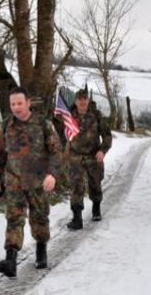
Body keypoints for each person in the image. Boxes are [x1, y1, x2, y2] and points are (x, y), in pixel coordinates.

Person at [0, 86, 62, 277]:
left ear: (28, 103)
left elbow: (56, 152)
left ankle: (41, 249)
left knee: (39, 217)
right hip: (13, 179)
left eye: (19, 103)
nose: (16, 107)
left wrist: (52, 175)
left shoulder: (43, 124)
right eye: (13, 104)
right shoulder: (6, 126)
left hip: (38, 180)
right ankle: (11, 260)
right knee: (14, 218)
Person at [60, 88, 112, 230]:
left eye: (85, 99)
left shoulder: (96, 115)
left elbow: (107, 135)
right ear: (75, 101)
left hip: (93, 155)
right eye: (79, 99)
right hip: (75, 156)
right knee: (76, 186)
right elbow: (60, 133)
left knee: (95, 184)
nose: (82, 102)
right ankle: (77, 219)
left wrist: (102, 150)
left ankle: (96, 208)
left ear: (88, 100)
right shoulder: (69, 116)